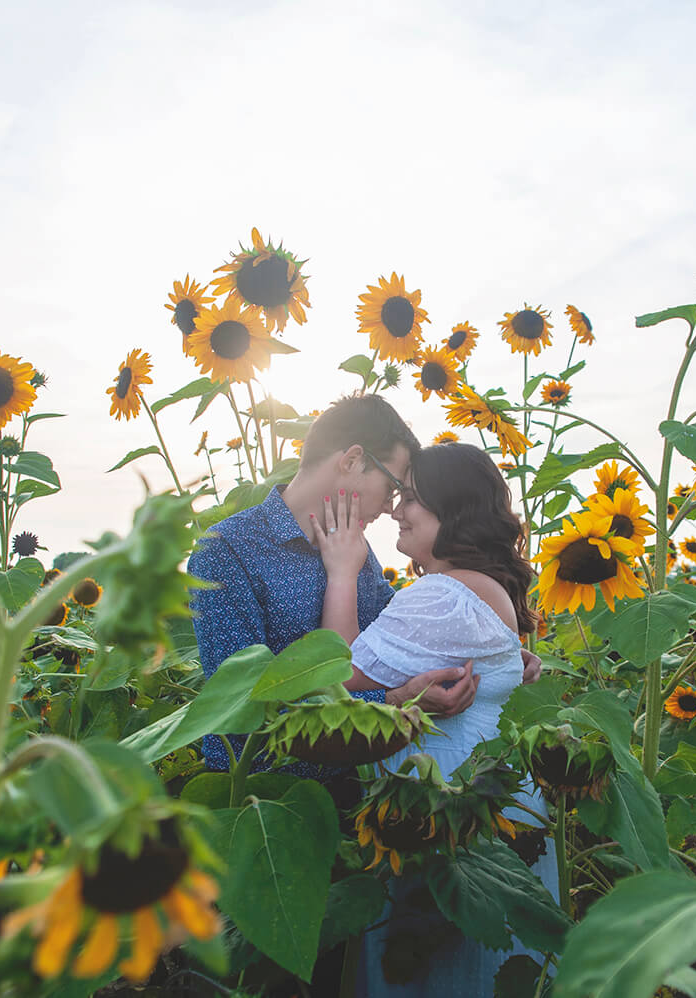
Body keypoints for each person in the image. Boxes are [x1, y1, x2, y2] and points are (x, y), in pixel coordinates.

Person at [310, 441, 557, 997]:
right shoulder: (470, 589)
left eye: (413, 498)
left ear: (455, 511)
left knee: (434, 974)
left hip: (443, 815)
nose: (397, 510)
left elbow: (339, 672)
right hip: (478, 804)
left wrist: (343, 570)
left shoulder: (446, 593)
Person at [187, 394, 504, 792]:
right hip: (265, 792)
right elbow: (239, 711)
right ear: (353, 461)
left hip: (359, 790)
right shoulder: (227, 551)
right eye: (392, 487)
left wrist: (491, 651)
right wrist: (393, 703)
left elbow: (404, 636)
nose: (391, 509)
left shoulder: (354, 548)